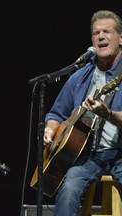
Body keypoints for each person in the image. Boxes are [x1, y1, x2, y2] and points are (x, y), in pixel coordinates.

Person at [43, 10, 122, 215]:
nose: (101, 36)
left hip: (121, 154)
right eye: (96, 33)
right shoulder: (80, 76)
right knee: (68, 188)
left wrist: (109, 114)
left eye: (107, 31)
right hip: (89, 157)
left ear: (120, 38)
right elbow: (56, 114)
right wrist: (50, 130)